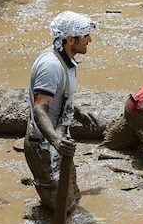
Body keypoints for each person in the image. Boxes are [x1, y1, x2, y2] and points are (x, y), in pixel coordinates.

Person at [24, 11, 100, 213]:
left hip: (58, 140)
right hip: (44, 145)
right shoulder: (51, 66)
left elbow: (59, 95)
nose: (90, 40)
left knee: (72, 196)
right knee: (61, 208)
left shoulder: (65, 60)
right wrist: (56, 142)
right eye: (85, 36)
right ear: (70, 39)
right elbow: (40, 108)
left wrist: (76, 112)